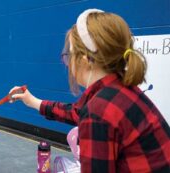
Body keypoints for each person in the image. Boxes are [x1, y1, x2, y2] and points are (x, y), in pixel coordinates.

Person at [10, 9, 170, 173]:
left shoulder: (99, 110)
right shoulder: (120, 89)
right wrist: (33, 102)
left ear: (86, 60)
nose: (67, 62)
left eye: (69, 55)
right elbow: (76, 112)